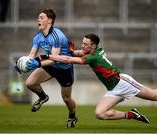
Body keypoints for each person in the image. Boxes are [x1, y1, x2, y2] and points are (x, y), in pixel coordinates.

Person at [29, 33, 157, 124]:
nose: (83, 46)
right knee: (100, 114)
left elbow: (68, 59)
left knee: (155, 96)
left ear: (93, 46)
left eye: (85, 44)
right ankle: (131, 114)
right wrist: (71, 50)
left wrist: (48, 56)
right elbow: (76, 53)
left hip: (123, 83)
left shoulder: (93, 57)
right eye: (82, 43)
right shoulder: (93, 51)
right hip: (113, 89)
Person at [14, 8, 77, 128]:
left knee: (66, 98)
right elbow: (32, 55)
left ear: (49, 20)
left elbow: (55, 58)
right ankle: (43, 97)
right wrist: (21, 64)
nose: (38, 20)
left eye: (41, 18)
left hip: (64, 68)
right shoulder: (37, 37)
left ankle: (72, 115)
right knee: (30, 83)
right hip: (50, 66)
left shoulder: (57, 36)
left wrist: (37, 64)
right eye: (38, 18)